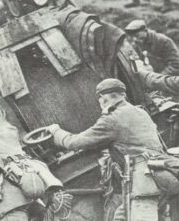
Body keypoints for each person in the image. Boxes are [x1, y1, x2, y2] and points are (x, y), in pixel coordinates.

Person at [45, 78, 179, 220]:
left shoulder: (111, 119)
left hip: (143, 181)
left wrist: (56, 132)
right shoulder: (141, 112)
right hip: (162, 175)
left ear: (102, 98)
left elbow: (74, 142)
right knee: (121, 216)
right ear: (123, 94)